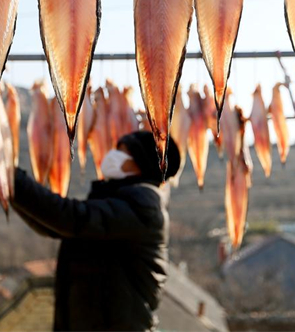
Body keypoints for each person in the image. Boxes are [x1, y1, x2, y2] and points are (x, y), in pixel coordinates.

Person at [11, 131, 181, 332]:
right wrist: (6, 186)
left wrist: (9, 175)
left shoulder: (142, 209)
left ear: (141, 163)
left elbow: (70, 219)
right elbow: (56, 226)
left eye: (123, 153)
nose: (113, 156)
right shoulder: (119, 201)